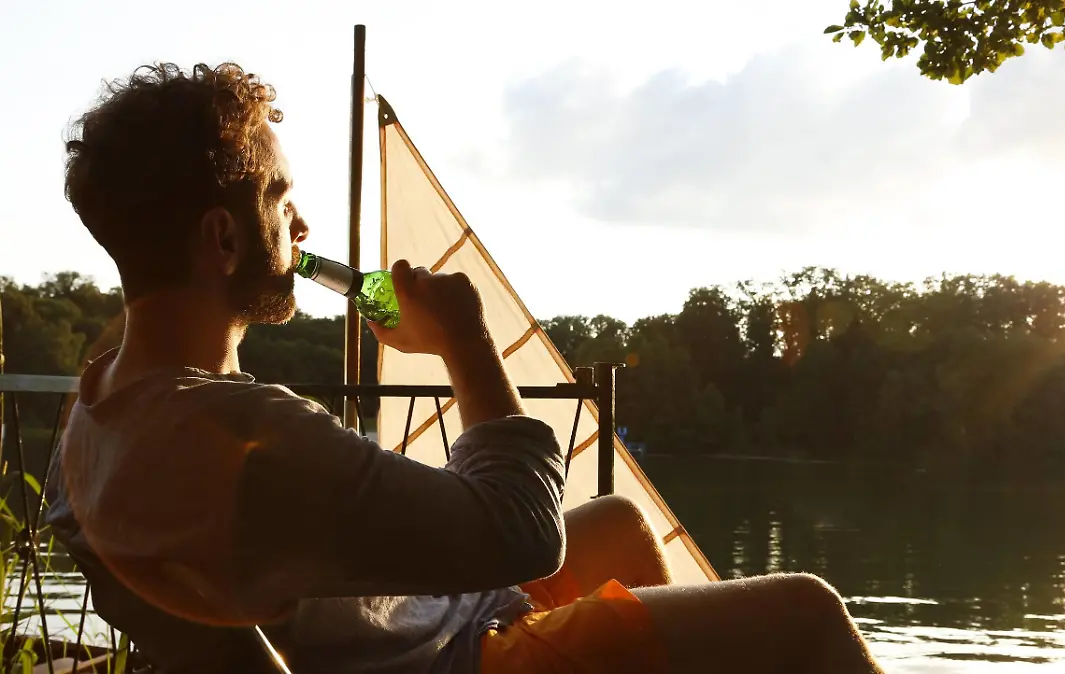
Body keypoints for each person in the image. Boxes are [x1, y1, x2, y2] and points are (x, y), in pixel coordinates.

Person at [44, 61, 885, 674]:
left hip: (418, 621)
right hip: (453, 660)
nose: (300, 225)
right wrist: (464, 341)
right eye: (278, 198)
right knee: (805, 611)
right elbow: (520, 531)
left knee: (622, 523)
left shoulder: (101, 408)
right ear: (222, 241)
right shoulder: (243, 436)